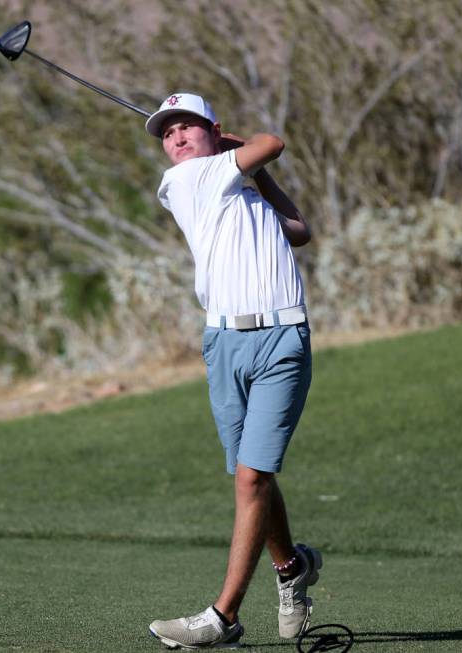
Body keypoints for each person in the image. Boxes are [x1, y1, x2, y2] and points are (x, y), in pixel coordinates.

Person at [145, 93, 321, 649]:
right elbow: (272, 142)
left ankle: (223, 617)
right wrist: (240, 150)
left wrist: (258, 175)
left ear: (211, 130)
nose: (175, 138)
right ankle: (291, 569)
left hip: (281, 338)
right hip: (223, 342)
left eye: (186, 127)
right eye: (166, 132)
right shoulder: (186, 181)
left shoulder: (238, 186)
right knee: (253, 474)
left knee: (252, 477)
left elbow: (298, 230)